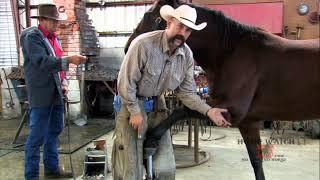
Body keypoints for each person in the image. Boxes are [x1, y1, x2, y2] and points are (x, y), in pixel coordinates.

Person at [112, 4, 231, 180]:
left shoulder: (186, 56)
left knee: (165, 168)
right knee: (130, 171)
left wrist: (209, 110)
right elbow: (125, 83)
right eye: (180, 26)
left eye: (188, 30)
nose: (182, 33)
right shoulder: (143, 45)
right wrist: (135, 111)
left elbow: (188, 93)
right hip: (131, 108)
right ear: (169, 23)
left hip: (158, 108)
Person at [20, 4, 87, 179]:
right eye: (53, 21)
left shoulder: (53, 39)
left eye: (57, 21)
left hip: (56, 92)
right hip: (41, 94)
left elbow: (58, 65)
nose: (57, 24)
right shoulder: (31, 37)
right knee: (37, 137)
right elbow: (42, 61)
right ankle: (31, 175)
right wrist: (70, 59)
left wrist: (64, 82)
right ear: (42, 20)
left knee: (54, 131)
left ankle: (51, 168)